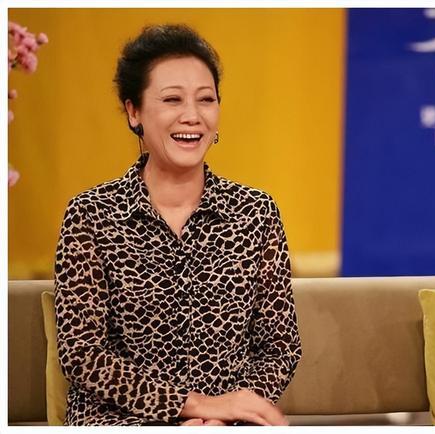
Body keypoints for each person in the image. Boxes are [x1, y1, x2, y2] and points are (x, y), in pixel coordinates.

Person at [54, 24, 302, 426]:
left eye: (206, 99)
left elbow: (279, 347)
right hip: (120, 420)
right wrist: (195, 406)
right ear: (134, 111)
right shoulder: (91, 214)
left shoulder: (255, 213)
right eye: (172, 99)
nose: (192, 116)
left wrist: (228, 415)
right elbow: (83, 354)